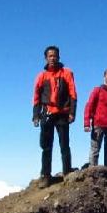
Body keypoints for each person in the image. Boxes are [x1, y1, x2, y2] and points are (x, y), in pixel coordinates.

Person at [32, 45, 77, 184]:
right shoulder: (41, 76)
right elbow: (36, 96)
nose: (53, 58)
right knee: (46, 146)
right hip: (47, 114)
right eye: (50, 56)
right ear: (46, 58)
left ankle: (67, 171)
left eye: (55, 55)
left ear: (59, 57)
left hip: (62, 114)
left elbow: (73, 93)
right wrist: (35, 115)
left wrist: (72, 112)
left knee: (64, 144)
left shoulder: (66, 72)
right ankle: (45, 175)